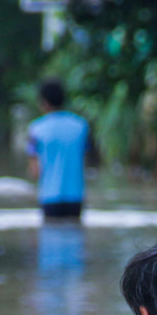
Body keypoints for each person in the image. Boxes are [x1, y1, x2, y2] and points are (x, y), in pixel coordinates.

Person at [25, 78, 92, 219]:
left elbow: (35, 170)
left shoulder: (35, 129)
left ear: (44, 102)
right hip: (75, 197)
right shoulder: (81, 126)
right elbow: (86, 161)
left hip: (49, 197)